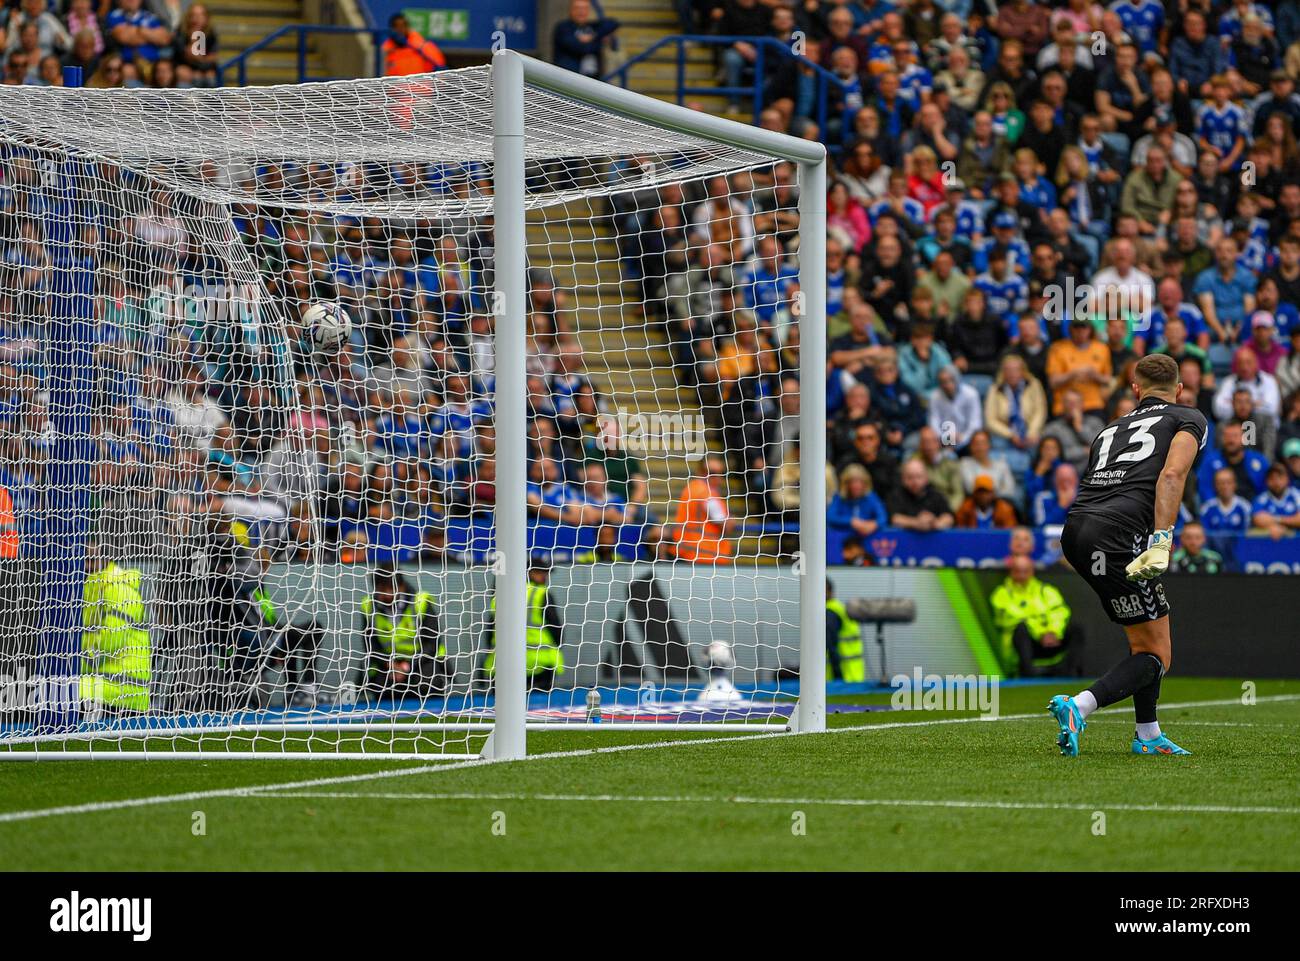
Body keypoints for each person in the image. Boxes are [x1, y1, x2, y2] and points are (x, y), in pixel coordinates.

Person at [1053, 353, 1209, 757]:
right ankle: (1079, 706)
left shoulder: (1108, 428)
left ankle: (1148, 734)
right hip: (1119, 534)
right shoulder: (1187, 417)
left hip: (1076, 532)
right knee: (1157, 654)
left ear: (1135, 390)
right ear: (1178, 389)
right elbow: (1172, 475)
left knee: (1145, 640)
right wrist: (1161, 540)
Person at [81, 544, 150, 714]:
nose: (87, 566)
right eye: (84, 561)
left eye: (92, 560)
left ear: (106, 560)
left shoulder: (119, 589)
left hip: (123, 689)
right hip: (101, 682)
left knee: (63, 692)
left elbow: (110, 642)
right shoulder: (92, 589)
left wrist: (74, 662)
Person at [480, 558, 566, 692]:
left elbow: (490, 627)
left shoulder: (502, 593)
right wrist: (558, 646)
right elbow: (556, 627)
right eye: (539, 572)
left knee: (503, 707)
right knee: (540, 709)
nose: (544, 576)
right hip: (540, 661)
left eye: (546, 572)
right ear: (527, 572)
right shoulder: (541, 593)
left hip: (504, 662)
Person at [360, 566, 446, 700]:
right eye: (382, 590)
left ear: (401, 587)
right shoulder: (368, 606)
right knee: (380, 688)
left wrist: (408, 666)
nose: (386, 595)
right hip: (388, 664)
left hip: (420, 661)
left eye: (391, 589)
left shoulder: (421, 602)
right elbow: (370, 645)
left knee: (427, 684)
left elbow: (432, 644)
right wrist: (390, 665)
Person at [990, 554, 1080, 677]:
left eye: (1025, 571)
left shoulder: (1046, 590)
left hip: (1052, 641)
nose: (1022, 575)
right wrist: (1040, 633)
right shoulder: (1002, 594)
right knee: (1020, 629)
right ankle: (1028, 672)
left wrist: (1053, 632)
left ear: (1032, 571)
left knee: (1076, 629)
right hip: (1023, 648)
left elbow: (1060, 612)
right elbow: (1012, 618)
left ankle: (1069, 671)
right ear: (1011, 572)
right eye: (1018, 571)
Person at [381, 12, 446, 76]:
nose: (400, 29)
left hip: (422, 86)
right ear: (391, 29)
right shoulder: (384, 52)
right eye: (396, 26)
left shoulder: (424, 47)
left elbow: (440, 70)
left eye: (403, 25)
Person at [825, 578, 865, 683]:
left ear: (829, 591)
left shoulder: (830, 612)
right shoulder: (840, 608)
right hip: (854, 674)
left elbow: (831, 645)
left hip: (842, 677)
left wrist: (837, 673)